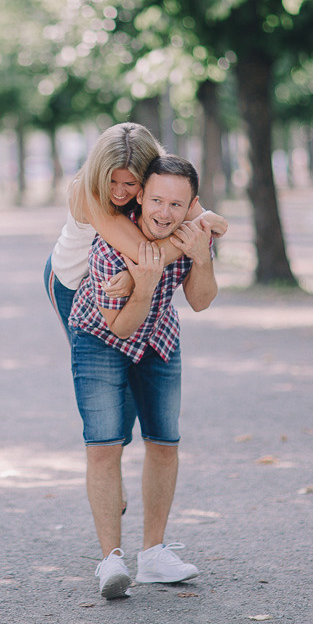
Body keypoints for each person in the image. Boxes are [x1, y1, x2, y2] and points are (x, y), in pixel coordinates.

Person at [68, 155, 217, 599]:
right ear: (141, 196)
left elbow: (202, 300)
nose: (164, 213)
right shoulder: (112, 244)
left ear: (191, 205)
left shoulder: (191, 231)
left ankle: (153, 554)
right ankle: (111, 561)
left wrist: (200, 255)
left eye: (177, 204)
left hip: (159, 338)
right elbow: (121, 328)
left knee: (165, 443)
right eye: (156, 200)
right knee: (104, 445)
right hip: (101, 337)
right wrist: (146, 284)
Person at [42, 123, 226, 451]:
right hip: (71, 282)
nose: (119, 192)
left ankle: (113, 449)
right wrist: (140, 268)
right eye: (111, 180)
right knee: (100, 367)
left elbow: (214, 222)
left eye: (130, 183)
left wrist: (135, 273)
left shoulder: (160, 178)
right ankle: (110, 453)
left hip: (118, 273)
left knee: (126, 371)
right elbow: (149, 252)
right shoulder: (85, 190)